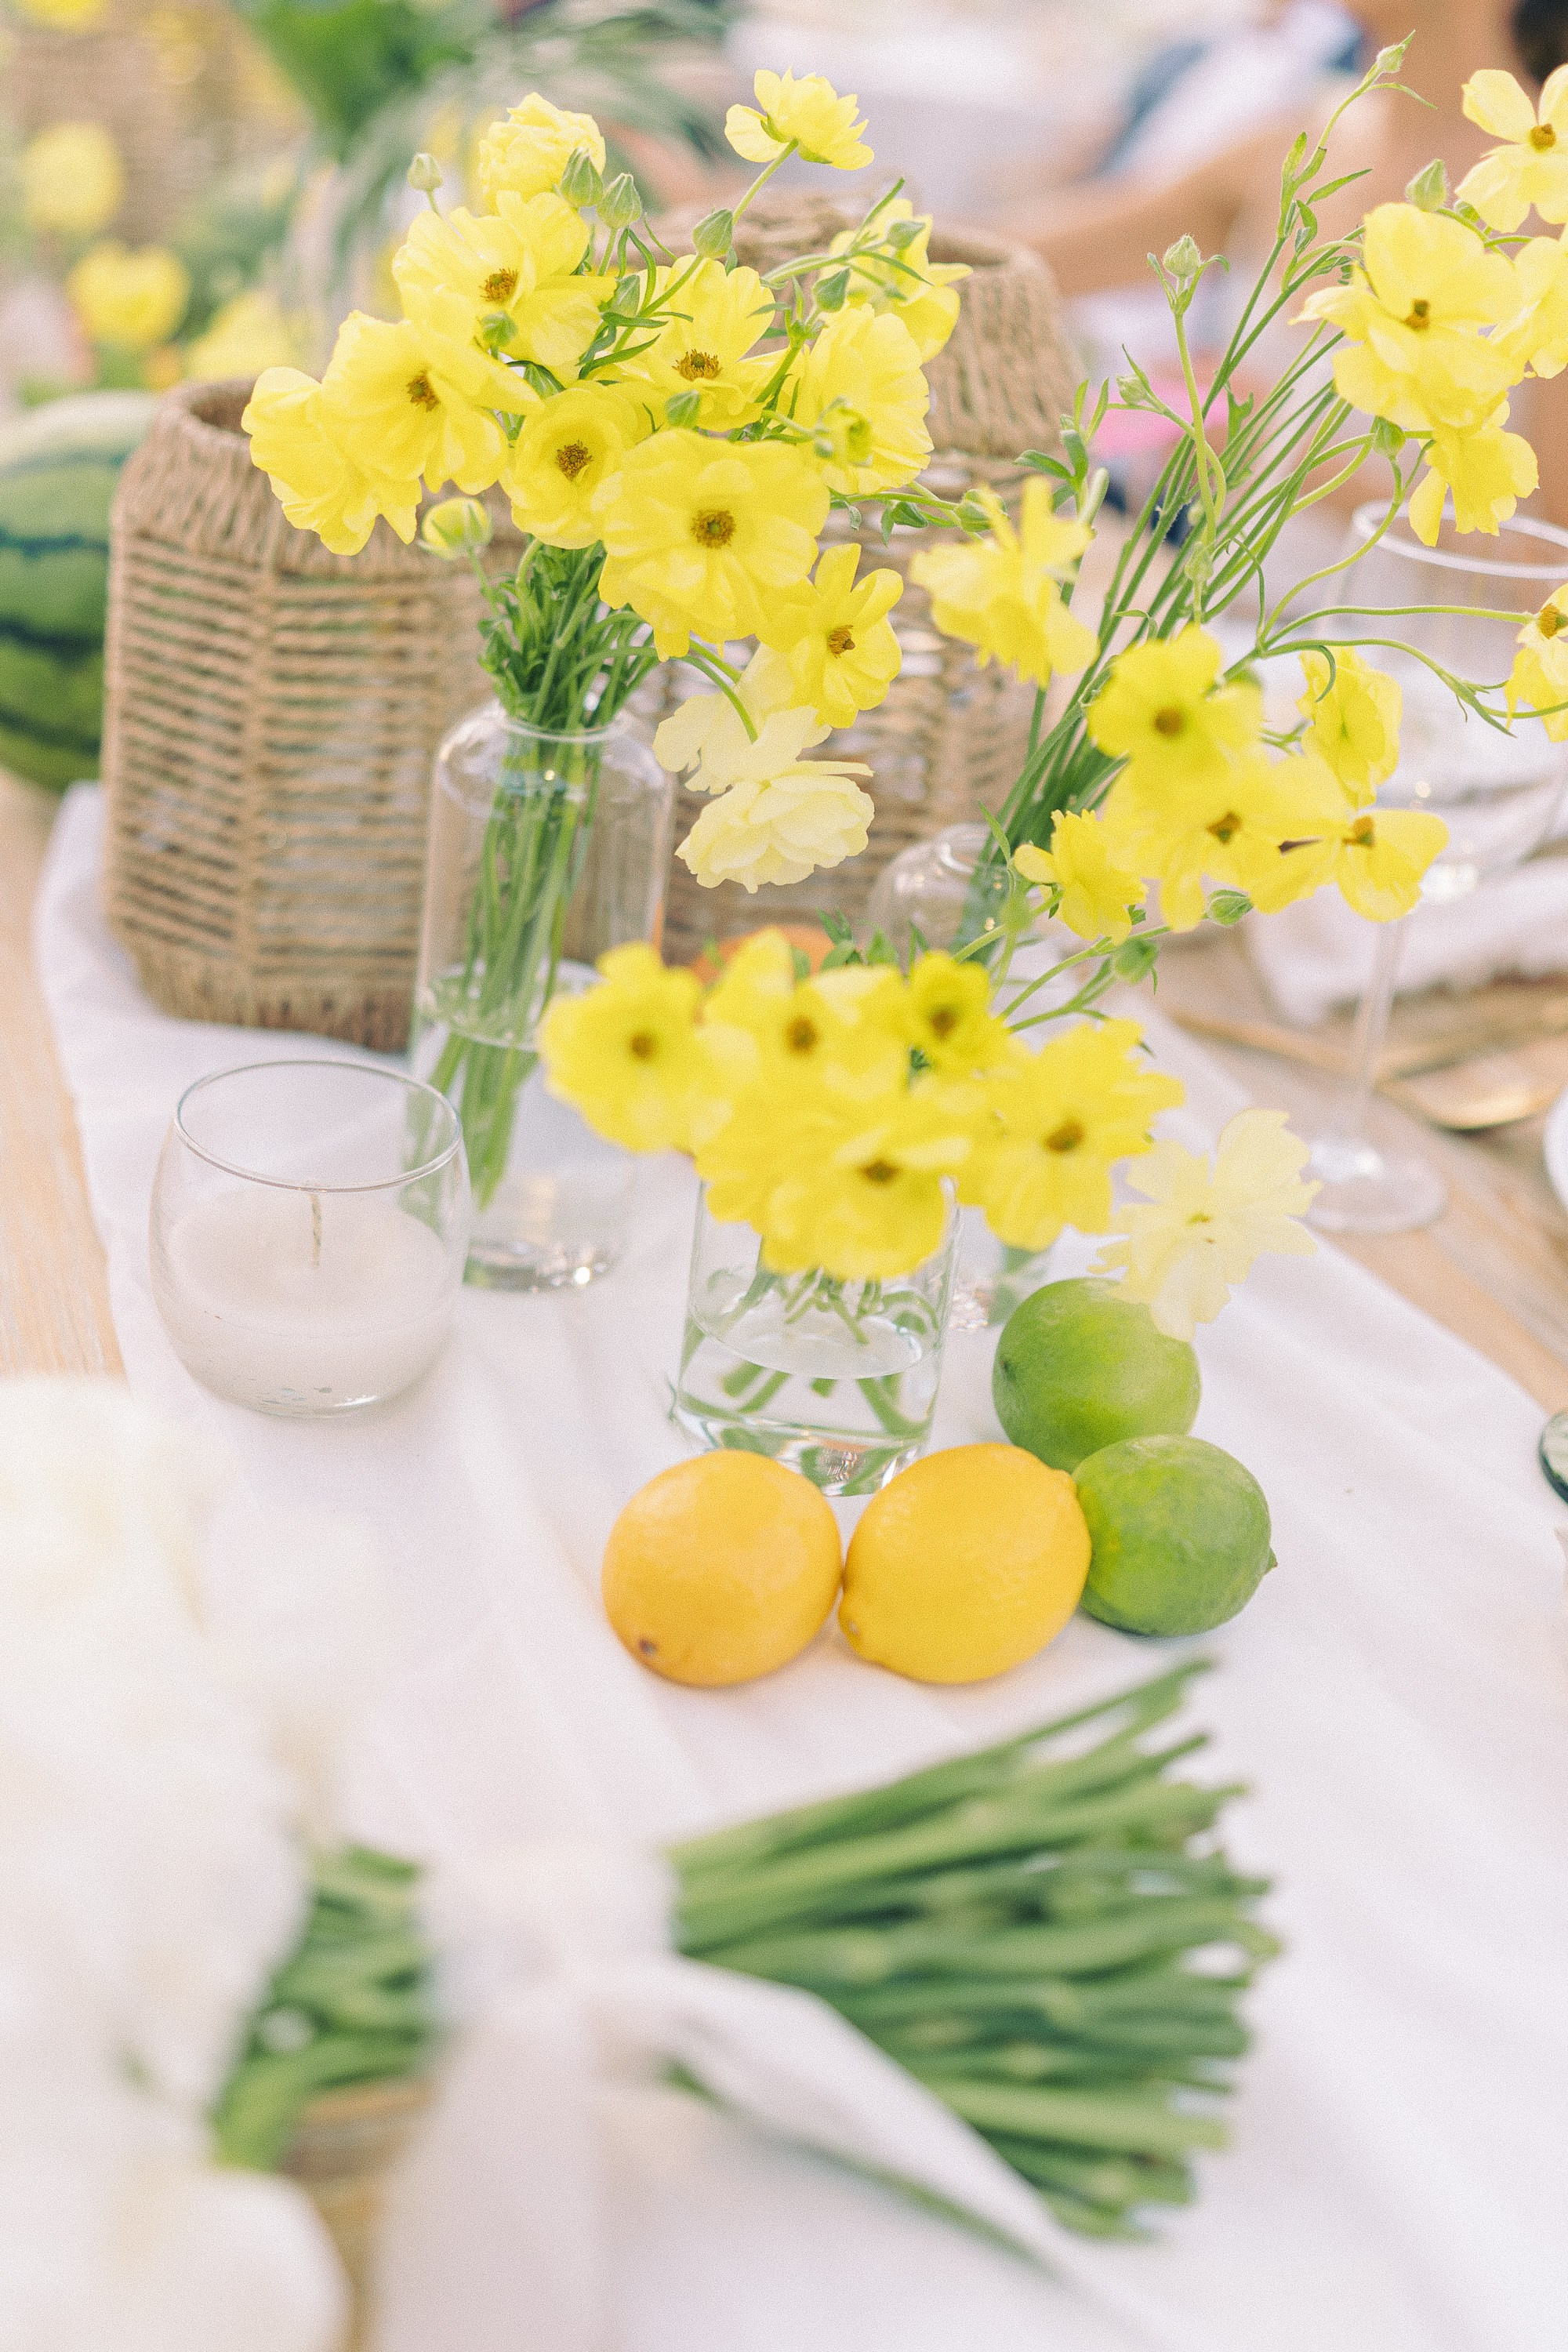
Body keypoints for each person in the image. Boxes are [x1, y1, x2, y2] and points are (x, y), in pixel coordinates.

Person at [1016, 0, 1568, 523]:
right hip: (1212, 590)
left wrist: (1275, 446)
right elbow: (1017, 263)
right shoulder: (1299, 145)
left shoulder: (1554, 203)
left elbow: (1551, 564)